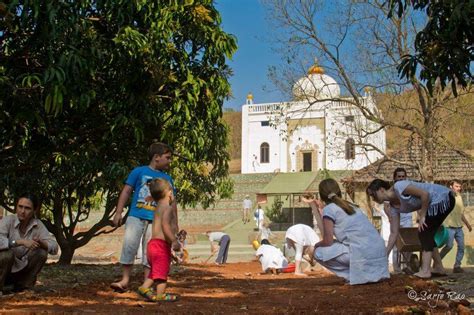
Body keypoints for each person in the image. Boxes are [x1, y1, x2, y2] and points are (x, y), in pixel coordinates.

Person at [111, 142, 176, 292]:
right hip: (135, 216)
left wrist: (175, 224)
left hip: (155, 222)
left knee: (150, 251)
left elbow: (173, 203)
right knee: (129, 246)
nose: (169, 161)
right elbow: (127, 191)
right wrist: (118, 212)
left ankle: (147, 283)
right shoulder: (138, 172)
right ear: (156, 157)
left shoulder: (167, 178)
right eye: (168, 157)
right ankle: (125, 280)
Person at [304, 179, 389, 285]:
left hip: (362, 253)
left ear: (322, 196)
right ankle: (364, 275)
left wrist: (315, 246)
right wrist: (316, 209)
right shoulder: (352, 206)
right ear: (338, 191)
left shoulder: (329, 209)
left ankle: (351, 276)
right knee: (337, 245)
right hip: (379, 253)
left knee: (318, 252)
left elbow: (328, 241)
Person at [367, 178, 455, 279]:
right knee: (427, 234)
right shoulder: (393, 207)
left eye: (373, 194)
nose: (372, 198)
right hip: (437, 202)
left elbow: (425, 194)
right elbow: (394, 233)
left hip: (443, 197)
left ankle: (425, 271)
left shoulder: (399, 186)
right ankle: (439, 268)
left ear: (381, 189)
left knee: (424, 232)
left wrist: (422, 215)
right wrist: (385, 254)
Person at [0, 194, 58, 294]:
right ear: (16, 207)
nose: (22, 211)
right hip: (3, 270)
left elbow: (55, 248)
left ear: (34, 210)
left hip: (19, 272)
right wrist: (20, 242)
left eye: (27, 208)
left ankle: (24, 287)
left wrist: (42, 243)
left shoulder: (38, 225)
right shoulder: (8, 221)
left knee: (41, 252)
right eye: (20, 207)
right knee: (6, 254)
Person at [136, 178, 180, 302]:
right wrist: (174, 240)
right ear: (169, 193)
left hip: (152, 245)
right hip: (160, 246)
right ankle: (161, 295)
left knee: (156, 270)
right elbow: (165, 226)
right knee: (162, 273)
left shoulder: (158, 207)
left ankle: (144, 287)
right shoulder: (167, 207)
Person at [383, 167, 416, 273]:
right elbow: (386, 206)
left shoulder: (409, 188)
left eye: (403, 176)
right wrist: (390, 217)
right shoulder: (391, 190)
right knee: (396, 244)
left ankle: (407, 266)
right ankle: (397, 269)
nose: (401, 178)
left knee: (408, 244)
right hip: (396, 218)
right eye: (399, 176)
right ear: (395, 178)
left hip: (407, 218)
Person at [439, 180, 472, 273]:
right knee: (449, 246)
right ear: (451, 186)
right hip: (449, 227)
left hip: (459, 227)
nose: (459, 188)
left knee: (461, 246)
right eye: (456, 186)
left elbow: (461, 214)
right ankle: (437, 262)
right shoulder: (445, 197)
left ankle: (457, 265)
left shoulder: (460, 197)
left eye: (459, 187)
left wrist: (468, 224)